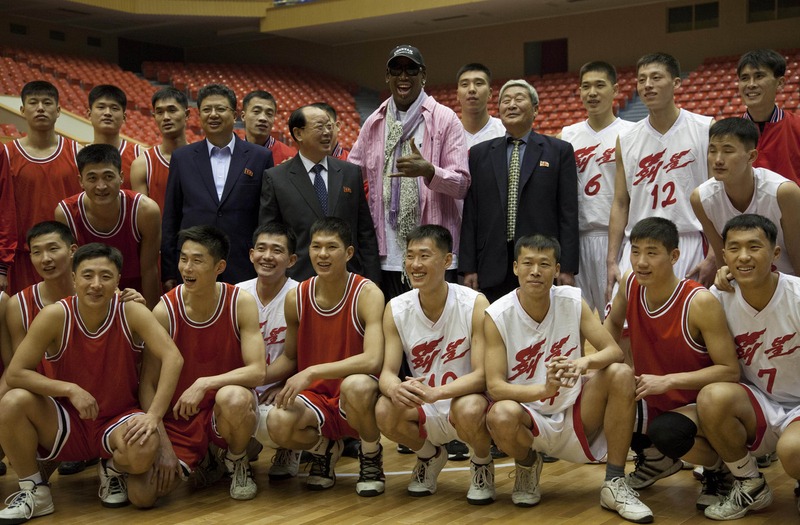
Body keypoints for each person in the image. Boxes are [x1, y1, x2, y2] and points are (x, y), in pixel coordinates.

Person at [0, 243, 183, 520]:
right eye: (87, 275)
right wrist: (69, 389)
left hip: (119, 418)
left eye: (106, 276)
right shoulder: (55, 315)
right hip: (68, 419)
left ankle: (113, 469)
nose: (96, 284)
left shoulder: (131, 311)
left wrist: (154, 416)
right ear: (73, 278)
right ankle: (35, 491)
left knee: (145, 444)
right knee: (12, 401)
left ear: (118, 281)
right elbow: (15, 373)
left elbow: (173, 358)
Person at [483, 233, 652, 522]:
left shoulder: (572, 300)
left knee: (621, 374)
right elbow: (495, 387)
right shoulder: (498, 314)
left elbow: (613, 352)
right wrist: (544, 389)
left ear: (557, 270)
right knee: (499, 415)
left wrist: (582, 363)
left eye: (544, 264)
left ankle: (614, 482)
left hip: (576, 409)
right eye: (528, 263)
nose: (535, 271)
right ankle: (526, 464)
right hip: (528, 414)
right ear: (515, 268)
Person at [604, 217, 740, 508]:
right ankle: (656, 462)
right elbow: (612, 327)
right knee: (609, 391)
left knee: (666, 431)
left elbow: (730, 371)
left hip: (700, 405)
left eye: (652, 253)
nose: (641, 261)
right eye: (636, 251)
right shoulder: (629, 283)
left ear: (674, 256)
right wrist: (599, 365)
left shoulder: (699, 302)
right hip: (656, 396)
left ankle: (721, 468)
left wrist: (668, 381)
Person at [134, 225, 266, 505]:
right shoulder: (164, 310)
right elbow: (147, 384)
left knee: (234, 396)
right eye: (183, 259)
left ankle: (238, 459)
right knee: (142, 496)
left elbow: (257, 371)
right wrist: (164, 446)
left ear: (219, 266)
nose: (187, 268)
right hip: (179, 418)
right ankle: (209, 459)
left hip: (223, 408)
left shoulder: (240, 302)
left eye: (197, 260)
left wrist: (205, 382)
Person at [254, 218, 386, 496]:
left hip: (356, 395)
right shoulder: (296, 297)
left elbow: (373, 360)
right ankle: (323, 449)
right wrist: (257, 379)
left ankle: (371, 454)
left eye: (331, 247)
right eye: (316, 247)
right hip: (314, 397)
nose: (322, 254)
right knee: (276, 422)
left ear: (348, 253)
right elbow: (290, 358)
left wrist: (313, 371)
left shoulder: (368, 293)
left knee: (357, 385)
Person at [4, 221, 145, 477]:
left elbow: (142, 359)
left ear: (72, 251)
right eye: (36, 252)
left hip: (112, 401)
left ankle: (109, 460)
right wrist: (68, 392)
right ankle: (36, 483)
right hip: (56, 403)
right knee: (8, 403)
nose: (45, 259)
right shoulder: (19, 305)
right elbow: (20, 371)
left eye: (53, 249)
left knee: (143, 492)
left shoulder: (112, 295)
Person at [375, 225, 493, 503]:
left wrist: (437, 393)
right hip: (425, 405)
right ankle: (429, 456)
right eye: (410, 256)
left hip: (463, 403)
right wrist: (394, 389)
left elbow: (483, 376)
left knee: (471, 405)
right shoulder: (395, 308)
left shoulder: (474, 303)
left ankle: (481, 462)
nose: (415, 264)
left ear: (448, 261)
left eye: (425, 256)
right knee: (383, 407)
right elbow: (387, 373)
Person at [698, 214, 800, 519]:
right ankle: (750, 484)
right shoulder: (717, 298)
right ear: (724, 255)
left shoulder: (796, 296)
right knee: (711, 398)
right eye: (734, 248)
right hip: (758, 403)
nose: (744, 256)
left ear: (775, 254)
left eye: (754, 247)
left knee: (793, 452)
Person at [348, 45, 469, 300]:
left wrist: (429, 172)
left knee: (436, 334)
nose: (403, 76)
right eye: (396, 69)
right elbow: (351, 174)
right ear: (387, 76)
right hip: (388, 255)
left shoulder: (445, 119)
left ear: (423, 75)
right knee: (395, 330)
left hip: (433, 253)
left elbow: (461, 184)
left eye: (411, 69)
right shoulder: (375, 122)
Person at [607, 52, 715, 297]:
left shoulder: (705, 129)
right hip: (639, 245)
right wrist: (612, 260)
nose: (647, 85)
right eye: (641, 79)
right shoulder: (625, 138)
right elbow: (621, 202)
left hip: (688, 240)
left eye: (656, 77)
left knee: (686, 328)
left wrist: (714, 254)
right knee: (626, 327)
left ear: (676, 83)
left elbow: (717, 197)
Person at [460, 79, 579, 302]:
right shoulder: (479, 154)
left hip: (540, 263)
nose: (511, 105)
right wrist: (468, 268)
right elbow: (471, 214)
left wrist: (567, 267)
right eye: (506, 101)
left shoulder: (558, 151)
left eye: (519, 99)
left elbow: (568, 213)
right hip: (491, 265)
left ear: (535, 109)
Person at [161, 83, 274, 288]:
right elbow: (171, 216)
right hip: (192, 264)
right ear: (199, 114)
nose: (213, 114)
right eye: (207, 109)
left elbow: (265, 217)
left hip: (243, 263)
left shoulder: (260, 157)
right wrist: (169, 270)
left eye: (220, 109)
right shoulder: (182, 157)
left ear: (236, 114)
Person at [260, 104, 380, 282]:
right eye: (319, 127)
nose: (327, 132)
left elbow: (365, 233)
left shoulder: (351, 173)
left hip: (349, 279)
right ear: (298, 133)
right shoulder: (276, 178)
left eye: (329, 126)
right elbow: (270, 235)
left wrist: (372, 280)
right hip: (298, 280)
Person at [559, 61, 635, 318]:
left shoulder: (631, 133)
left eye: (599, 85)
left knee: (618, 322)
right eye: (586, 86)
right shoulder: (567, 136)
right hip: (575, 241)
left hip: (616, 239)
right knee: (571, 323)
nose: (592, 92)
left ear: (615, 91)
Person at [0, 80, 82, 295]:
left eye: (47, 103)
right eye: (33, 103)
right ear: (22, 110)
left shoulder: (77, 152)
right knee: (24, 321)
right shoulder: (6, 155)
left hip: (68, 254)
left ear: (58, 111)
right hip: (22, 256)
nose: (40, 108)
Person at [55, 144, 161, 309]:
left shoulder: (145, 210)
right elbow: (72, 273)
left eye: (108, 177)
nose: (101, 186)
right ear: (80, 181)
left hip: (135, 294)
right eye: (92, 178)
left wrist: (151, 315)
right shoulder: (66, 213)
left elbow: (149, 269)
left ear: (121, 177)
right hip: (91, 293)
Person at [691, 117, 800, 276]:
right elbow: (723, 259)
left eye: (728, 151)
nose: (718, 160)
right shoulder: (700, 199)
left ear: (751, 156)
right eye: (712, 151)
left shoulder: (784, 193)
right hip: (743, 285)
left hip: (788, 285)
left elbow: (797, 256)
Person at [235, 222, 300, 480]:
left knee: (281, 418)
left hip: (284, 385)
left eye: (277, 250)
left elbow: (299, 357)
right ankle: (237, 451)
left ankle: (291, 447)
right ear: (251, 254)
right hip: (244, 385)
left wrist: (279, 383)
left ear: (291, 259)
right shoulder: (236, 293)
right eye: (261, 249)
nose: (267, 256)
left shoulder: (300, 294)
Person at [738, 49, 800, 185]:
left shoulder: (798, 126)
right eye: (744, 78)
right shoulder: (728, 132)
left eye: (759, 76)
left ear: (780, 83)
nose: (751, 84)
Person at [130, 87, 190, 214]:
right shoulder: (142, 164)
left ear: (187, 114)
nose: (166, 117)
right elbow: (143, 216)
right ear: (154, 116)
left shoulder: (203, 158)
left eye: (172, 110)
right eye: (160, 112)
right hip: (160, 233)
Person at [86, 85, 140, 191]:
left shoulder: (140, 155)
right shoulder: (78, 156)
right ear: (89, 114)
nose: (107, 113)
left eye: (114, 108)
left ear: (124, 117)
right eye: (101, 107)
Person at [456, 63, 505, 149]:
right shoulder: (448, 134)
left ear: (490, 93)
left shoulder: (504, 131)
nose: (471, 89)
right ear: (457, 95)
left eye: (478, 83)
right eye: (464, 84)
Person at [242, 90, 297, 164]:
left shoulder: (290, 157)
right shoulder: (231, 154)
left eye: (269, 114)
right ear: (243, 116)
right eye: (256, 111)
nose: (263, 118)